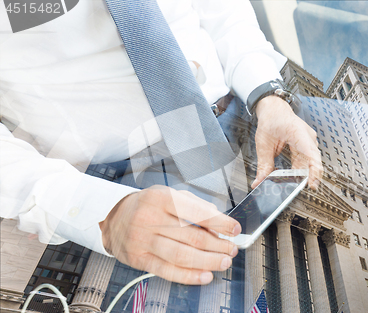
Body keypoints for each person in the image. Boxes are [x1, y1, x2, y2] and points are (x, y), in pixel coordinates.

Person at [0, 0, 322, 286]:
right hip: (112, 176)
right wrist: (100, 211)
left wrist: (268, 95)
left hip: (234, 116)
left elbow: (224, 11)